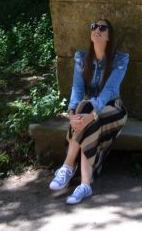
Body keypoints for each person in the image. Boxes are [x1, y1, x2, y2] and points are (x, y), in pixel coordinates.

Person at [49, 17, 129, 204]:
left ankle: (68, 167)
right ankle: (85, 184)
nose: (97, 30)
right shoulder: (82, 58)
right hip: (87, 112)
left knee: (87, 109)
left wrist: (91, 114)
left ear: (109, 35)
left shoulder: (120, 59)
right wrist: (71, 115)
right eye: (94, 26)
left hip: (113, 109)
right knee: (84, 110)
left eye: (102, 27)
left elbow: (109, 90)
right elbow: (77, 89)